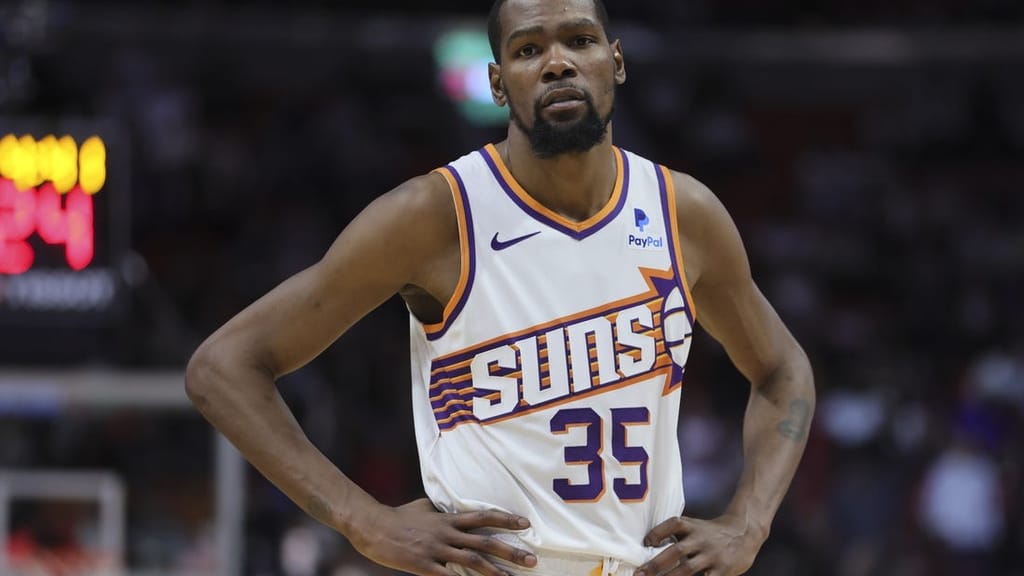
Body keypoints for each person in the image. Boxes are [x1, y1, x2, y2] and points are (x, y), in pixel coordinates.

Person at [185, 0, 815, 574]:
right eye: (528, 50)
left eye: (580, 40)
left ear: (615, 62)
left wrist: (749, 524)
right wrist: (363, 521)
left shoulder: (684, 214)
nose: (558, 63)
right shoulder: (435, 215)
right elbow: (223, 367)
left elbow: (783, 369)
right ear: (496, 82)